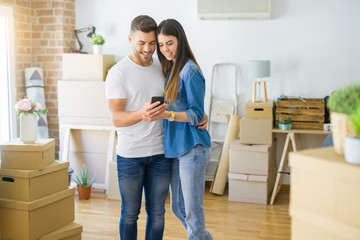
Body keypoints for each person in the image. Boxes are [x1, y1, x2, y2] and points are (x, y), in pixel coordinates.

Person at [106, 15, 207, 240]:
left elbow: (181, 100)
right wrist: (142, 114)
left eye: (153, 43)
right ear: (131, 39)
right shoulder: (118, 72)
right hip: (130, 154)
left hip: (162, 153)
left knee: (158, 214)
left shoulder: (163, 66)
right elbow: (117, 118)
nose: (148, 48)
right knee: (130, 213)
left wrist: (199, 114)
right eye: (142, 43)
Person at [143, 19, 213, 240]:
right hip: (176, 149)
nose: (165, 50)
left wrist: (166, 114)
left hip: (192, 148)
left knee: (192, 212)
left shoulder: (190, 70)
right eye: (161, 46)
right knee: (178, 209)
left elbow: (196, 113)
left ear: (180, 40)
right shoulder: (172, 68)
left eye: (170, 43)